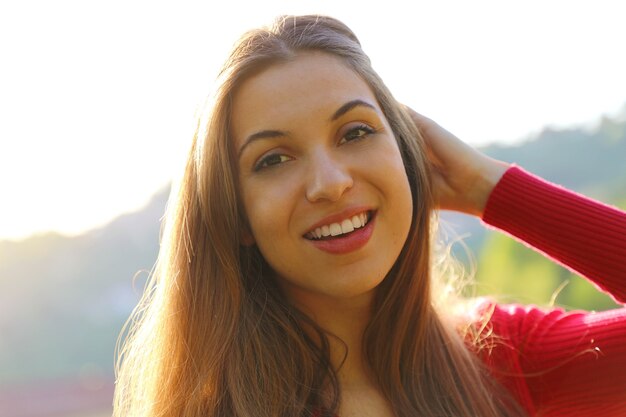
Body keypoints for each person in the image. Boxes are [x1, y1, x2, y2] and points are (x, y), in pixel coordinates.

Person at [113, 15, 626, 417]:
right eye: (273, 160)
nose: (331, 181)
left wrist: (488, 188)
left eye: (355, 132)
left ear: (406, 152)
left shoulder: (500, 360)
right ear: (237, 217)